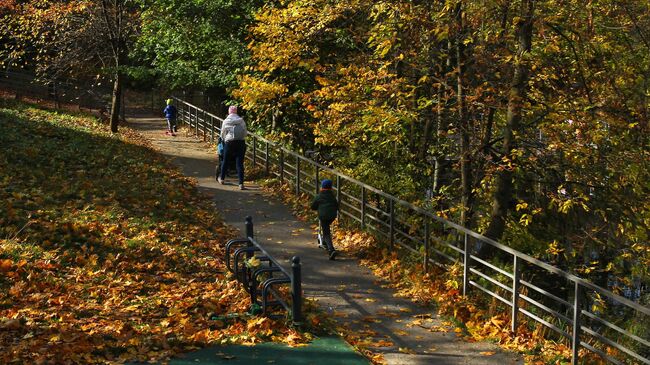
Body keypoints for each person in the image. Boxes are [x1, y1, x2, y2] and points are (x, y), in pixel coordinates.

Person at [217, 105, 247, 189]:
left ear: (229, 112)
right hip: (240, 142)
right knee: (239, 163)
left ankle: (222, 179)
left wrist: (224, 140)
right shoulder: (241, 121)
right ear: (236, 111)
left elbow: (222, 133)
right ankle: (241, 183)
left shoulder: (226, 121)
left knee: (225, 160)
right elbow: (245, 133)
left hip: (229, 143)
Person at [311, 179, 339, 260]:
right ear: (331, 187)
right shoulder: (333, 196)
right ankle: (324, 241)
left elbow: (313, 206)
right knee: (326, 227)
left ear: (322, 187)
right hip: (332, 216)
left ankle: (331, 250)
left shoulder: (319, 196)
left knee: (326, 232)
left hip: (323, 216)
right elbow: (337, 205)